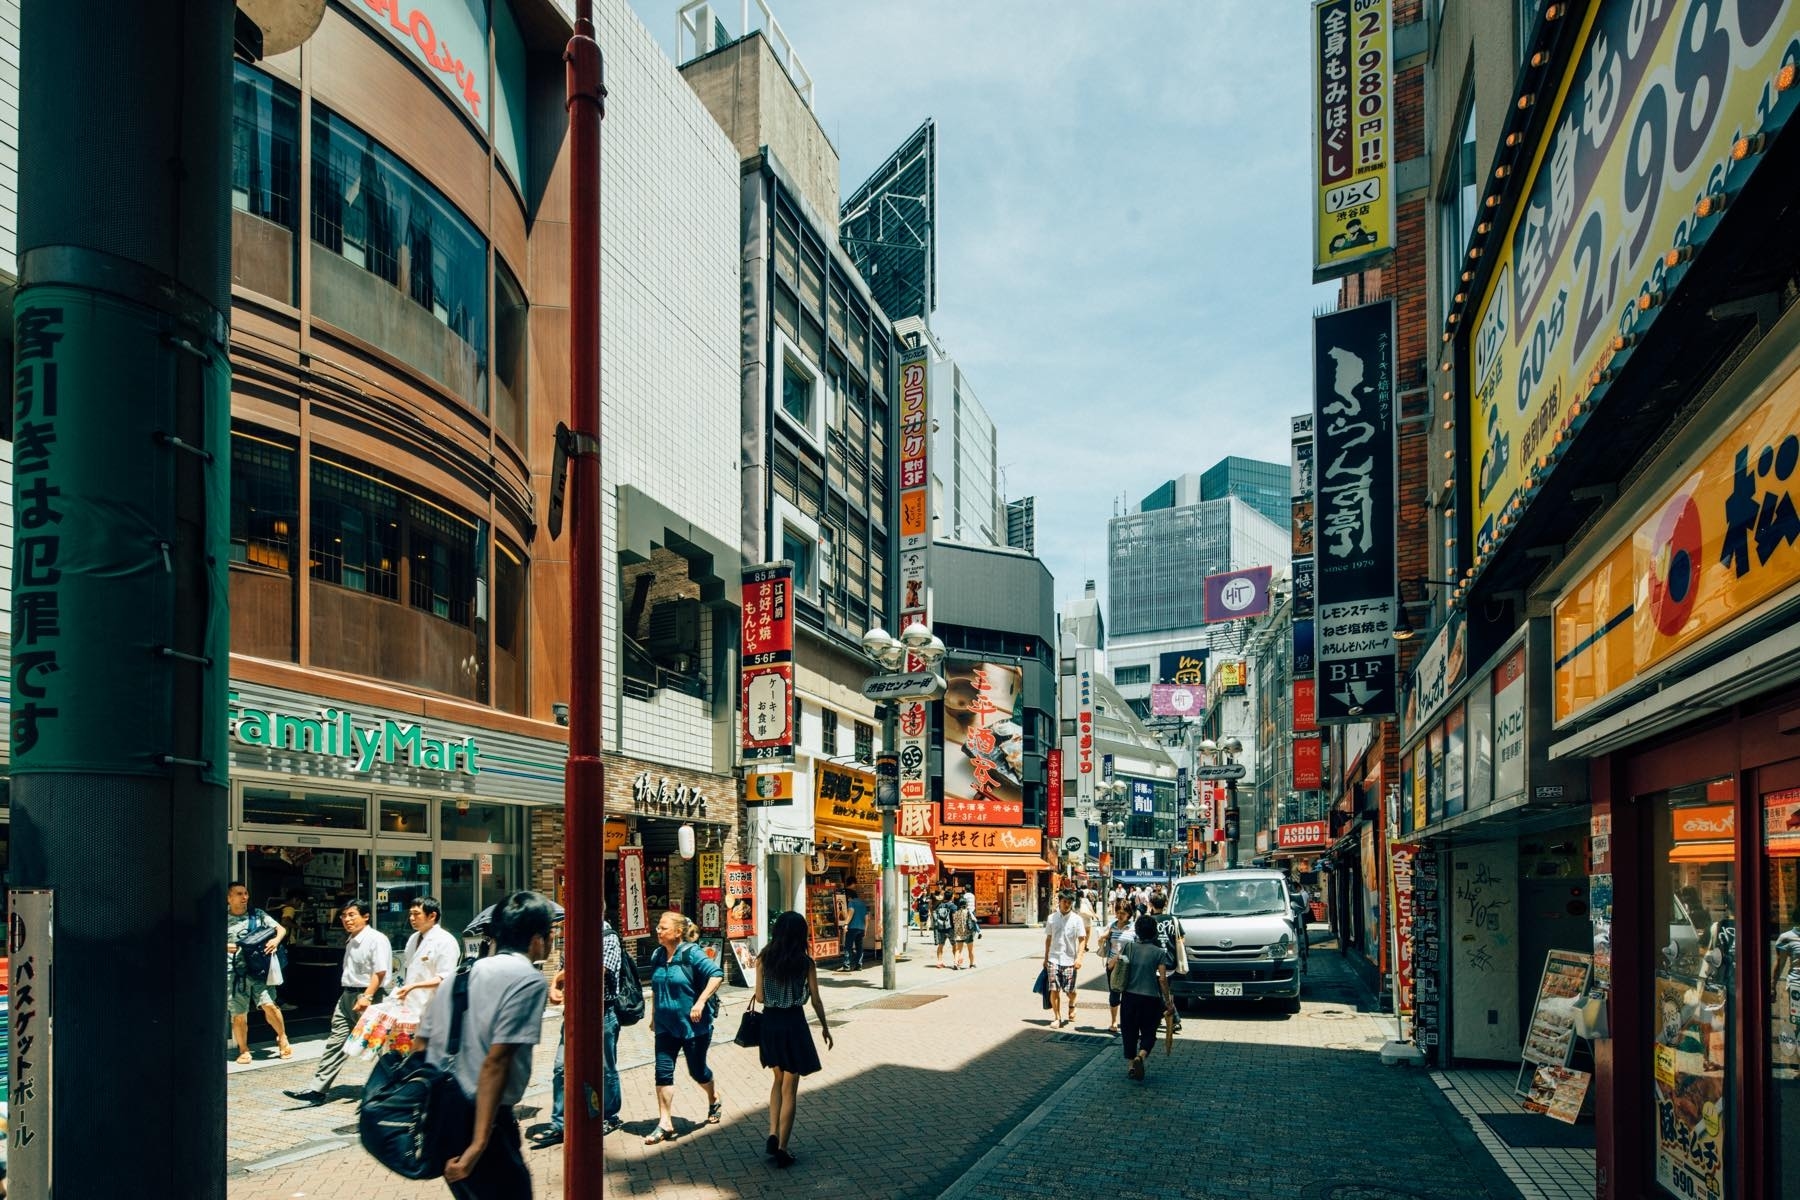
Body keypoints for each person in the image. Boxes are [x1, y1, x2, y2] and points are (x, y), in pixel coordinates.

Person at [415, 889, 554, 1197]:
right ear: (537, 939)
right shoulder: (527, 979)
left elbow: (420, 1044)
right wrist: (478, 1145)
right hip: (484, 1118)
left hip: (444, 1112)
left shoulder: (459, 975)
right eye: (551, 933)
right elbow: (497, 1061)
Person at [284, 897, 392, 1104]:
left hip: (369, 997)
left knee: (379, 1046)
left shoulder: (376, 939)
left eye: (352, 915)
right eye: (344, 915)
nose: (347, 919)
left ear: (366, 916)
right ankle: (317, 1090)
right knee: (336, 1042)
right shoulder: (352, 939)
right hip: (348, 997)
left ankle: (398, 1085)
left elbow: (380, 972)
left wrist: (367, 996)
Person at [754, 911, 834, 1169]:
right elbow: (816, 999)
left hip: (770, 1024)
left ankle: (772, 1131)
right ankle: (783, 1148)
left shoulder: (763, 959)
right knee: (790, 1088)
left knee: (777, 1080)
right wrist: (824, 1026)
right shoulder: (805, 963)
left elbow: (760, 998)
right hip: (794, 1023)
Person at [644, 910, 724, 1144]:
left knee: (697, 1072)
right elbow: (657, 989)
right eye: (658, 927)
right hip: (665, 1026)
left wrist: (700, 1002)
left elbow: (716, 975)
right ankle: (665, 1123)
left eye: (663, 928)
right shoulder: (657, 955)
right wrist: (653, 1016)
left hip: (694, 1027)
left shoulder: (692, 953)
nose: (658, 931)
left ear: (678, 932)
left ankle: (713, 1097)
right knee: (662, 1071)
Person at [226, 881, 291, 1064]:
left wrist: (275, 941)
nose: (244, 897)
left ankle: (282, 1036)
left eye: (246, 893)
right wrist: (224, 946)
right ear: (229, 898)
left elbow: (281, 929)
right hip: (235, 973)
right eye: (239, 894)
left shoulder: (257, 915)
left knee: (269, 1005)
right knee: (238, 1013)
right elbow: (207, 940)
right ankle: (243, 1050)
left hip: (258, 969)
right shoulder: (221, 919)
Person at [1108, 914, 1175, 1081]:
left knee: (1129, 1032)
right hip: (1151, 999)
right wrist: (1167, 1001)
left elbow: (1112, 965)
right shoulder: (1159, 952)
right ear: (1154, 933)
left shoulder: (1129, 947)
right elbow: (1162, 978)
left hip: (1129, 997)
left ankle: (1131, 1066)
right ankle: (1141, 1055)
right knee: (1149, 1032)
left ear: (1137, 931)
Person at [395, 896, 462, 1022]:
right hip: (411, 1006)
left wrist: (413, 986)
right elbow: (410, 970)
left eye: (416, 914)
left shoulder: (446, 941)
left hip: (434, 1007)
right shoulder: (413, 938)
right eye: (410, 914)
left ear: (432, 916)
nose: (411, 918)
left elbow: (444, 977)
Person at [1042, 890, 1089, 1029]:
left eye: (1069, 902)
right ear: (1059, 901)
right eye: (1064, 902)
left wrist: (1079, 958)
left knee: (1070, 991)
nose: (1067, 904)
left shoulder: (1077, 919)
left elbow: (1082, 940)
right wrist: (1046, 958)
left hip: (1070, 960)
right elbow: (1048, 939)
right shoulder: (1051, 918)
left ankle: (1072, 1003)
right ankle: (1057, 1017)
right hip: (1053, 958)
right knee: (1054, 989)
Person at [1096, 898, 1137, 1036]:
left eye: (1123, 913)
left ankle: (1127, 1022)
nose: (1120, 915)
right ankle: (1114, 1022)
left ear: (1129, 914)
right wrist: (1102, 938)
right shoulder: (1112, 926)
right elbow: (1102, 939)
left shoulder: (1133, 928)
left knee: (1128, 995)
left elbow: (1136, 947)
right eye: (1118, 912)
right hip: (1112, 965)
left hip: (1128, 965)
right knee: (1114, 994)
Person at [1147, 889, 1185, 1034]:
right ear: (1165, 904)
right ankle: (1157, 1020)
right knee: (1161, 992)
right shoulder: (1173, 920)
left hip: (1156, 962)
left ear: (1151, 904)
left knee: (1161, 994)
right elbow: (1182, 939)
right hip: (1171, 961)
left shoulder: (1150, 921)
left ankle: (1175, 1019)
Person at [838, 887, 868, 972]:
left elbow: (851, 912)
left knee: (848, 947)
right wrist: (865, 929)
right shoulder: (863, 904)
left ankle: (846, 965)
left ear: (849, 897)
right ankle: (859, 965)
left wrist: (846, 924)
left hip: (852, 928)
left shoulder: (851, 902)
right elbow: (866, 918)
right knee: (859, 947)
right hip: (861, 928)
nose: (847, 899)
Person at [953, 886, 980, 969]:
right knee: (970, 950)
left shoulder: (956, 913)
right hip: (968, 933)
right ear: (966, 904)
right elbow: (974, 920)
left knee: (958, 950)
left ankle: (955, 963)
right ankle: (972, 964)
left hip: (959, 933)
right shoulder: (968, 912)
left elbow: (954, 922)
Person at [932, 889, 958, 969]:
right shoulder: (953, 906)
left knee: (940, 945)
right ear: (951, 897)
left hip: (941, 928)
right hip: (951, 928)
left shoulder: (940, 905)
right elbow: (955, 918)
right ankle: (955, 962)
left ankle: (939, 962)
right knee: (955, 945)